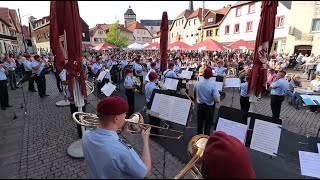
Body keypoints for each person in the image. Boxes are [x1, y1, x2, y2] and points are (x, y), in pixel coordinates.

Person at [82, 96, 152, 179]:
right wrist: (145, 140)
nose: (126, 116)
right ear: (116, 119)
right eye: (124, 114)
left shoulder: (86, 135)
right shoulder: (123, 151)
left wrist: (116, 130)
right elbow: (146, 174)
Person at [194, 68, 220, 135]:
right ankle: (205, 141)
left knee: (199, 124)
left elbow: (195, 93)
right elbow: (217, 100)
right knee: (207, 125)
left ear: (203, 75)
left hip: (200, 106)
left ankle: (198, 140)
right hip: (209, 108)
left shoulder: (197, 84)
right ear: (211, 76)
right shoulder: (213, 86)